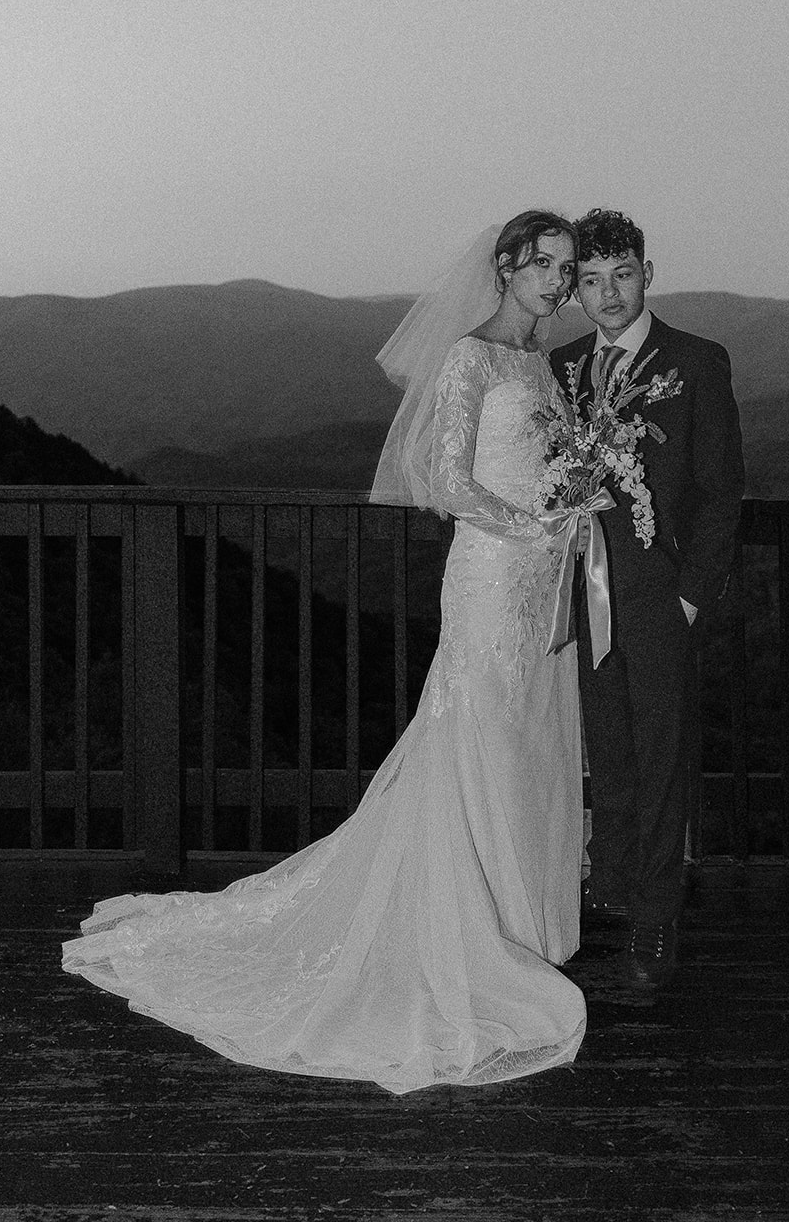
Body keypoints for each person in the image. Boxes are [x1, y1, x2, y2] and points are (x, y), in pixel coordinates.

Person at [62, 211, 587, 1094]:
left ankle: (521, 928)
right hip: (495, 574)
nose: (559, 284)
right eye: (546, 267)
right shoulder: (468, 357)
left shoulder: (540, 362)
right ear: (504, 268)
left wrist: (570, 504)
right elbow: (444, 477)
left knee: (530, 741)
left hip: (543, 577)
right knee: (482, 736)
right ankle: (469, 929)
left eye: (568, 270)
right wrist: (532, 521)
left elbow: (544, 458)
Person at [550, 209, 744, 993]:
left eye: (620, 275)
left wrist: (691, 597)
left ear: (646, 273)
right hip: (585, 593)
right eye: (590, 282)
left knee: (665, 755)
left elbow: (721, 491)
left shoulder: (696, 360)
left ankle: (657, 911)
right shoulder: (563, 367)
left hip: (661, 597)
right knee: (611, 746)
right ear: (577, 293)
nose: (607, 294)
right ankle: (614, 885)